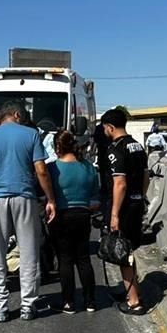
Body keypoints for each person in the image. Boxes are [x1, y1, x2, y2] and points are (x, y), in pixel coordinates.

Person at [0, 100, 57, 322]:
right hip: (24, 197)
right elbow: (41, 171)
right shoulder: (31, 135)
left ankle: (0, 306)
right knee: (29, 253)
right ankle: (28, 304)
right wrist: (50, 199)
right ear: (17, 114)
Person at [101, 108, 150, 315]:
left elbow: (119, 183)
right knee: (129, 250)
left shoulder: (116, 149)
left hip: (125, 206)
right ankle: (132, 291)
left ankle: (134, 302)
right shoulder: (138, 146)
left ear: (110, 127)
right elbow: (146, 176)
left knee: (122, 252)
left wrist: (114, 214)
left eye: (104, 128)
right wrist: (140, 196)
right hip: (137, 202)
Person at [47, 130, 100, 313]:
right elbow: (95, 194)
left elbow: (46, 192)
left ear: (58, 147)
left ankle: (68, 302)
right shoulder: (88, 167)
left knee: (65, 260)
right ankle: (90, 301)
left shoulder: (53, 169)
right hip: (83, 215)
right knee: (83, 259)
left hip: (61, 215)